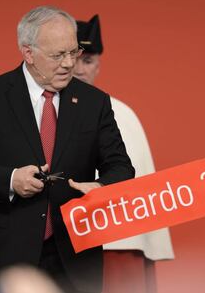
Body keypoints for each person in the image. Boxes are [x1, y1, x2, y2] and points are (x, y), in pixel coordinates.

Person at [0, 6, 134, 293]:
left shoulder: (94, 102)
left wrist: (101, 186)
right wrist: (10, 180)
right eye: (57, 55)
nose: (69, 63)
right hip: (6, 256)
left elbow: (121, 167)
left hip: (76, 256)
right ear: (28, 53)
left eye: (73, 52)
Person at [73, 15, 174, 293]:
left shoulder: (121, 113)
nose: (80, 69)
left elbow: (142, 190)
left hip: (118, 245)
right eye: (75, 58)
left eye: (88, 60)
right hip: (61, 247)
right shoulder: (42, 111)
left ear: (99, 65)